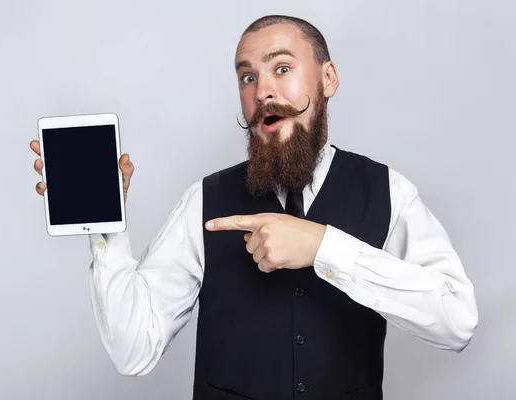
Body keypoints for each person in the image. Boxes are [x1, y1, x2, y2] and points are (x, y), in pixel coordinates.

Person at [30, 15, 478, 400]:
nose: (263, 90)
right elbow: (134, 351)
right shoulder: (202, 201)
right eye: (248, 77)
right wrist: (106, 227)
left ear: (328, 79)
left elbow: (457, 322)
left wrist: (324, 247)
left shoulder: (390, 192)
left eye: (282, 68)